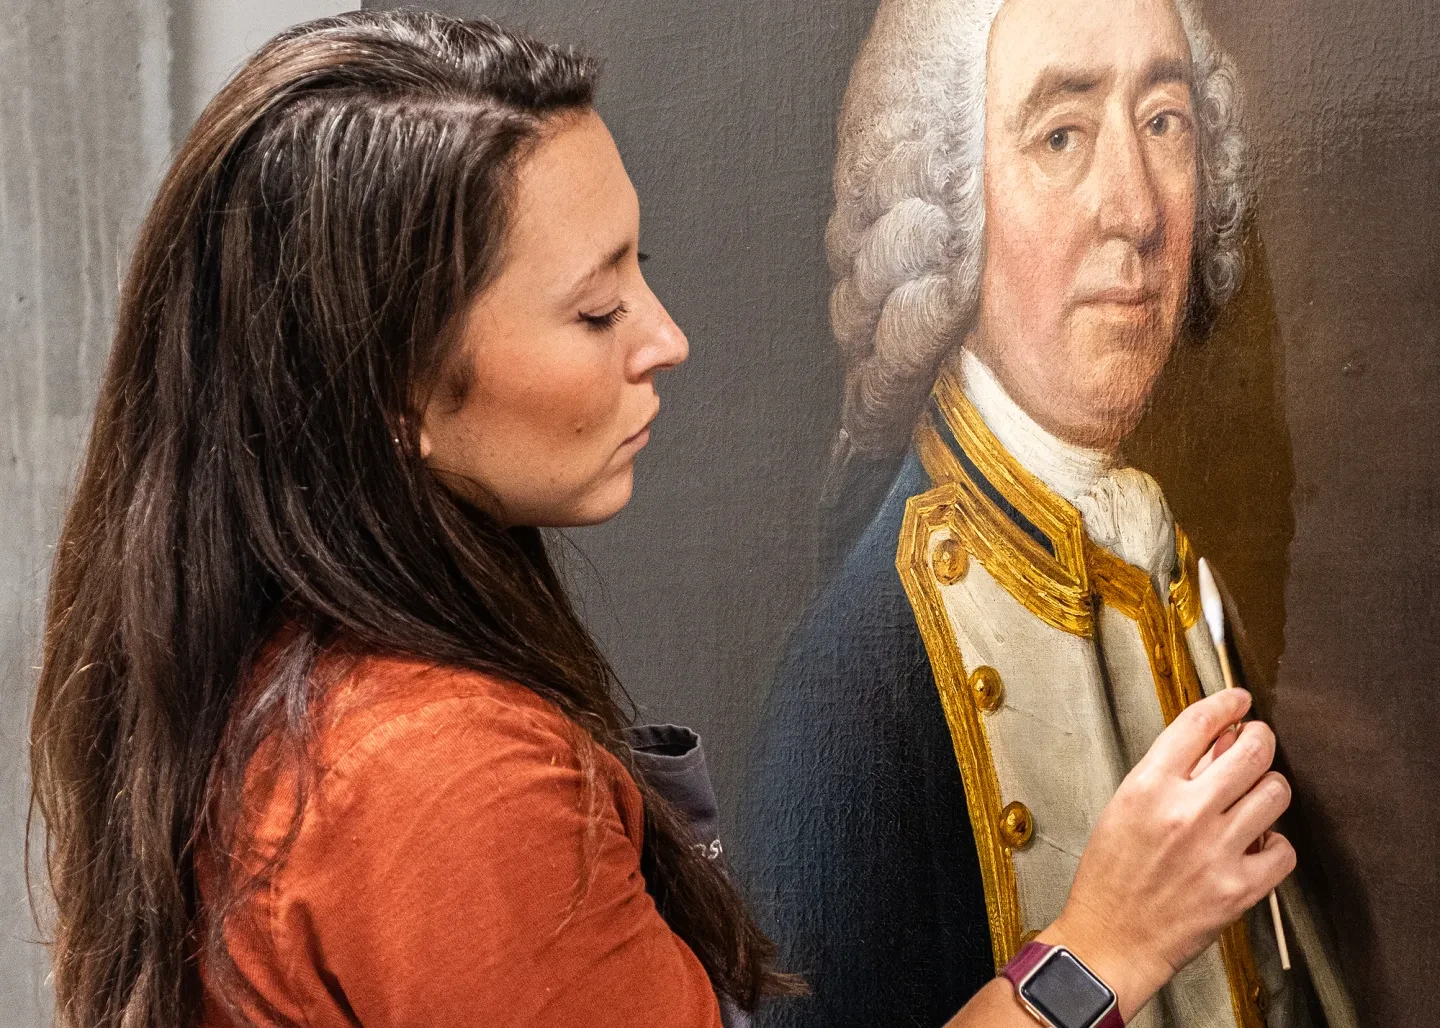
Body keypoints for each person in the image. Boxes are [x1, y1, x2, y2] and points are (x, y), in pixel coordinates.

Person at [29, 11, 1297, 1028]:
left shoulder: (303, 685)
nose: (666, 338)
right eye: (596, 311)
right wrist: (1097, 951)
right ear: (396, 388)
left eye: (1165, 120)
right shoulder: (444, 781)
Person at [744, 0, 1356, 1026]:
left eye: (1165, 122)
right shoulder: (857, 683)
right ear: (943, 201)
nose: (1136, 209)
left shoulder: (1163, 556)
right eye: (1062, 134)